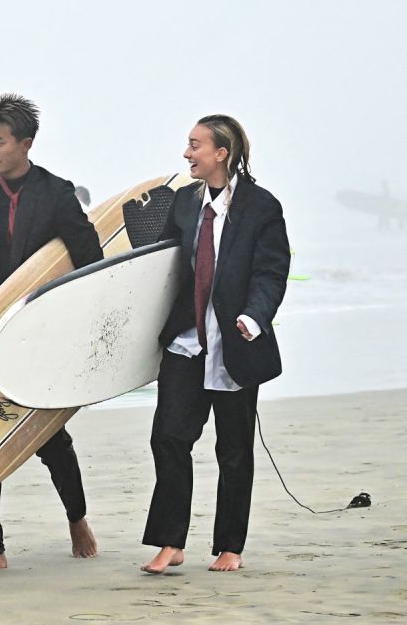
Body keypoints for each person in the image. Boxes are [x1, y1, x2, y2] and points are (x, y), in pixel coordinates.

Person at [0, 94, 101, 571]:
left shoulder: (55, 193)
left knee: (48, 435)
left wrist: (79, 329)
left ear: (25, 144)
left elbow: (89, 261)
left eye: (0, 142)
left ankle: (77, 517)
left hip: (39, 332)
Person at [141, 115, 290, 574]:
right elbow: (162, 264)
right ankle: (170, 542)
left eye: (195, 146)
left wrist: (254, 316)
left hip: (236, 344)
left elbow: (271, 270)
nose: (187, 154)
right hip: (187, 343)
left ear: (221, 153)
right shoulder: (185, 202)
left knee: (233, 449)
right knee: (168, 438)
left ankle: (229, 546)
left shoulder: (261, 207)